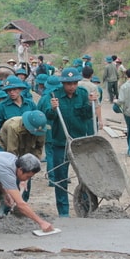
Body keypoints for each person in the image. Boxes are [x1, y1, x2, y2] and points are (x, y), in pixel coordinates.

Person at [38, 67, 98, 217]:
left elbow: (86, 116)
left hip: (79, 143)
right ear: (63, 84)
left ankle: (86, 207)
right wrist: (52, 109)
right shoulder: (54, 95)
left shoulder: (83, 94)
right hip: (61, 142)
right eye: (68, 84)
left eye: (74, 83)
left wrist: (91, 104)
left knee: (84, 176)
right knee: (61, 178)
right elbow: (47, 118)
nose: (71, 86)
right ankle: (63, 213)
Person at [0, 110, 47, 208]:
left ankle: (21, 206)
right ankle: (3, 205)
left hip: (26, 149)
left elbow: (38, 149)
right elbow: (11, 153)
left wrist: (25, 177)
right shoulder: (13, 127)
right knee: (7, 175)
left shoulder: (41, 130)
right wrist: (19, 175)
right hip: (5, 148)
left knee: (26, 175)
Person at [0, 75, 36, 147]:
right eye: (9, 90)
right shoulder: (1, 107)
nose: (12, 92)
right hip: (10, 145)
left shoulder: (30, 104)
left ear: (20, 89)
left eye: (14, 89)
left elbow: (37, 123)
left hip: (28, 144)